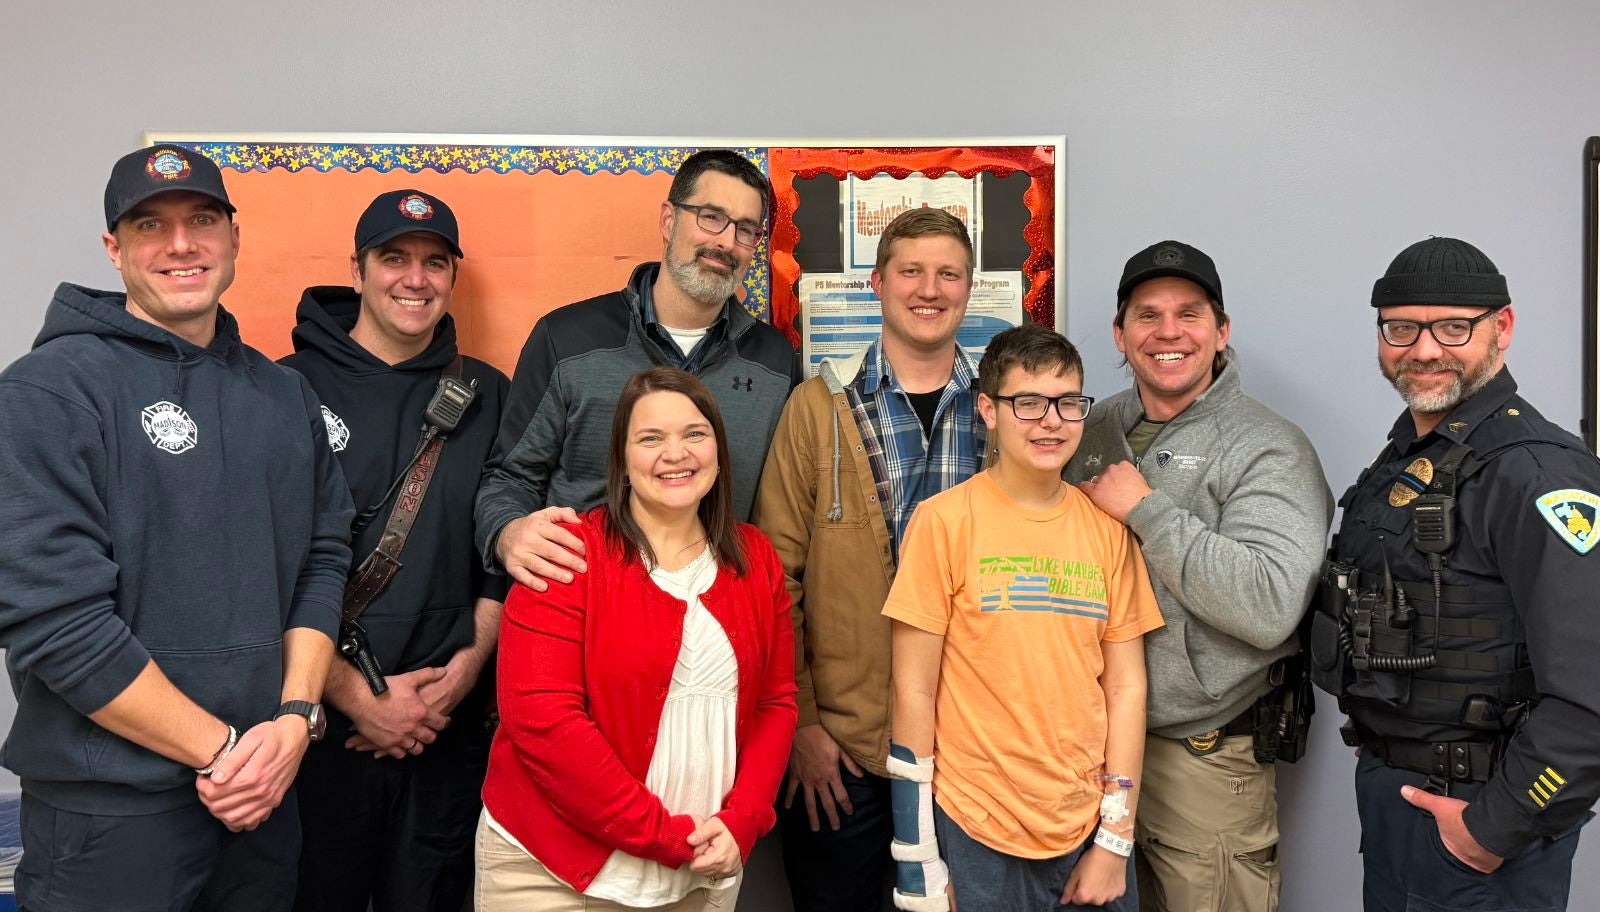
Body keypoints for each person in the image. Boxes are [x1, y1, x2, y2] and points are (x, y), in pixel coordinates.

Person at [0, 144, 353, 911]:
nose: (182, 244)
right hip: (112, 816)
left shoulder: (283, 397)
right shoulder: (48, 392)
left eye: (202, 220)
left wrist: (295, 719)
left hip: (264, 799)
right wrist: (224, 752)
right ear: (113, 248)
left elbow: (323, 562)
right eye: (150, 225)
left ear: (233, 236)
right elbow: (55, 621)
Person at [1310, 236, 1600, 912]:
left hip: (1482, 824)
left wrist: (1492, 829)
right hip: (1400, 796)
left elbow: (1592, 692)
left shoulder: (1536, 472)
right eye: (1402, 328)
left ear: (1502, 327)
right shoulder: (1410, 458)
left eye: (1452, 327)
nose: (1424, 349)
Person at [1063, 240, 1332, 912]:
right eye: (1147, 316)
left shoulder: (1268, 446)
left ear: (1221, 332)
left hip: (1202, 762)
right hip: (1083, 755)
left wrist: (1148, 512)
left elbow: (1270, 604)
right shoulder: (1087, 429)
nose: (1169, 333)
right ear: (1121, 337)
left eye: (1189, 314)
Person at [476, 367, 798, 911]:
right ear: (622, 462)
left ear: (719, 451)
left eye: (694, 434)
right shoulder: (568, 553)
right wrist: (667, 838)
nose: (676, 453)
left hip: (702, 872)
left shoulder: (755, 558)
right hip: (552, 873)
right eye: (650, 438)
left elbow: (776, 701)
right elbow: (542, 721)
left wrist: (741, 822)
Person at [279, 189, 509, 911]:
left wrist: (466, 671)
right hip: (317, 734)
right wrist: (353, 696)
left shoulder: (488, 395)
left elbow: (504, 558)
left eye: (435, 263)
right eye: (394, 258)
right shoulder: (282, 388)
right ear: (356, 269)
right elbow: (261, 563)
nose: (416, 279)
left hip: (448, 731)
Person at [752, 207, 985, 911]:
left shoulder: (1003, 411)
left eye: (948, 274)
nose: (929, 289)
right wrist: (804, 724)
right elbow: (776, 576)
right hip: (842, 753)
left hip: (968, 745)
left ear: (969, 289)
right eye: (911, 271)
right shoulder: (816, 408)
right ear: (879, 284)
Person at [885, 324, 1164, 912]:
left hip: (1085, 825)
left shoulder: (1108, 533)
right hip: (975, 824)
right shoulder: (943, 523)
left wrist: (1115, 839)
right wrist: (917, 856)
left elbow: (1126, 687)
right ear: (989, 409)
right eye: (1028, 403)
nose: (1051, 421)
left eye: (1068, 403)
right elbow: (912, 687)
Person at [474, 149, 800, 594]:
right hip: (583, 610)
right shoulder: (566, 340)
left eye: (746, 230)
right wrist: (508, 532)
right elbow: (509, 478)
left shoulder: (776, 363)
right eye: (710, 217)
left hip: (718, 619)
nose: (726, 241)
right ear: (669, 220)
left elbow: (782, 514)